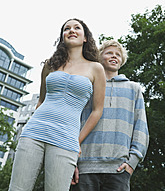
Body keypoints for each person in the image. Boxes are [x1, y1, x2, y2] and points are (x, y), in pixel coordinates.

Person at [8, 18, 106, 191]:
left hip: (66, 139)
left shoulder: (96, 68)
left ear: (85, 38)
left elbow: (97, 111)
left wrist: (77, 141)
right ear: (62, 37)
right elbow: (41, 100)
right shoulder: (50, 65)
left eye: (77, 28)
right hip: (34, 132)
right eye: (66, 28)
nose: (71, 30)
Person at [71, 39, 149, 191]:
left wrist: (132, 162)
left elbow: (141, 128)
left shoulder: (133, 89)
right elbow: (75, 122)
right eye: (109, 53)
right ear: (100, 58)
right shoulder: (87, 87)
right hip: (85, 168)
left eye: (118, 55)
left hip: (119, 170)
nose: (114, 57)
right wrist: (73, 161)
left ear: (122, 61)